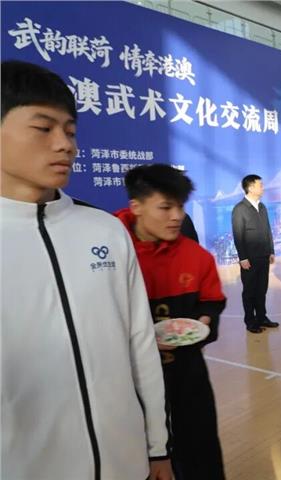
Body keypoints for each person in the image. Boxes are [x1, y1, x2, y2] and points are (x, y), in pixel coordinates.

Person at [1, 60, 172, 480]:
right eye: (43, 128)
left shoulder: (105, 229)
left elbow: (140, 344)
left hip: (127, 463)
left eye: (71, 131)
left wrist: (157, 448)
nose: (65, 145)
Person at [115, 164, 227, 479]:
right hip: (128, 379)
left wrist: (205, 320)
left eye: (180, 206)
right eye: (165, 207)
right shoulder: (109, 251)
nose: (176, 216)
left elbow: (212, 302)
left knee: (200, 448)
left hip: (187, 372)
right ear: (136, 206)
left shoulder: (197, 256)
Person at [232, 174, 278, 333]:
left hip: (264, 256)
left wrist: (271, 250)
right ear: (250, 187)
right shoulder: (240, 209)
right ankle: (250, 322)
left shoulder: (262, 207)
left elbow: (267, 230)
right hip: (249, 259)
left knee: (261, 290)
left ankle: (262, 318)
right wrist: (243, 257)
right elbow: (238, 234)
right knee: (250, 291)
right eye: (260, 185)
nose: (263, 188)